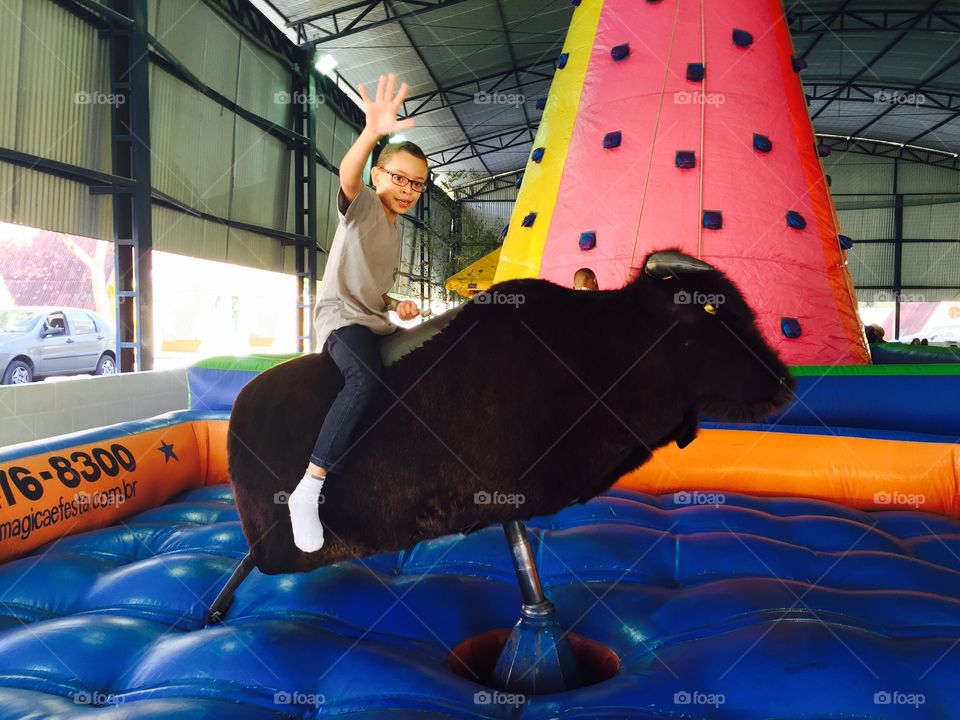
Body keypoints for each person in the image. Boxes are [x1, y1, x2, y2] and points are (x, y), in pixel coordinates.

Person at [288, 74, 428, 552]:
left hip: (374, 317)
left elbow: (377, 288)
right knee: (365, 378)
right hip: (342, 320)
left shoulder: (396, 230)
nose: (408, 189)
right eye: (399, 178)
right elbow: (347, 175)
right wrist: (371, 133)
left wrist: (397, 303)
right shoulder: (365, 205)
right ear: (378, 175)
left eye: (418, 184)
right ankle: (308, 488)